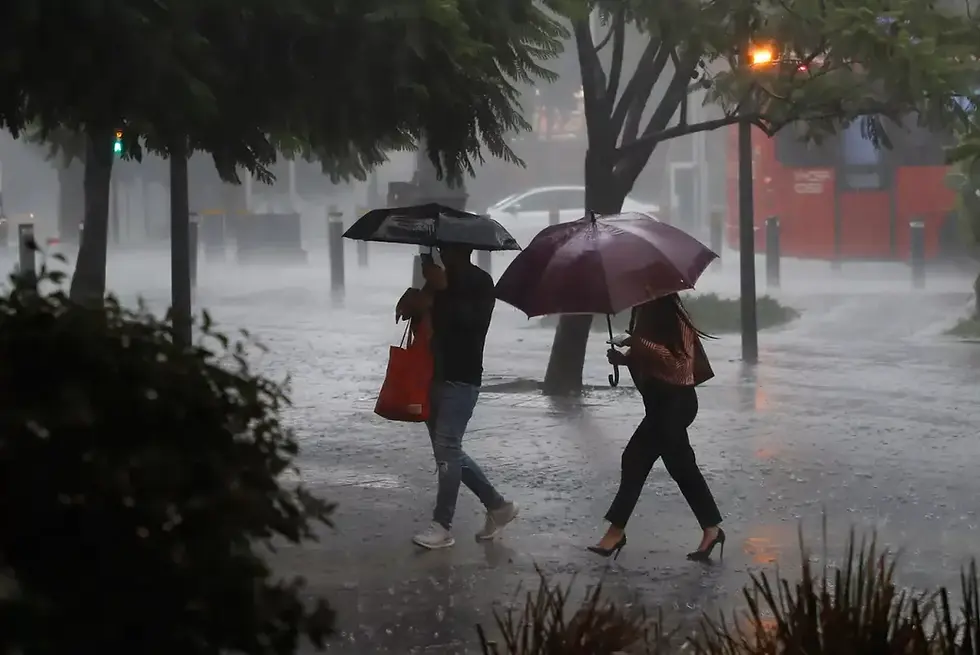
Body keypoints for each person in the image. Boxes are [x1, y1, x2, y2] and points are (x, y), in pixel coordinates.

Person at [396, 246, 518, 550]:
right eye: (441, 245)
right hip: (431, 375)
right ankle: (498, 506)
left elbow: (469, 324)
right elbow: (423, 323)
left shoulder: (480, 281)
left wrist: (442, 289)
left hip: (462, 377)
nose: (442, 250)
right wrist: (415, 301)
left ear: (464, 247)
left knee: (447, 448)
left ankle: (442, 525)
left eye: (448, 246)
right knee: (448, 452)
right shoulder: (437, 279)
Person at [589, 293, 724, 562]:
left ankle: (615, 532)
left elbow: (680, 366)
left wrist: (638, 344)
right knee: (682, 468)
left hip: (676, 404)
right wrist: (624, 359)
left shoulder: (676, 319)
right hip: (658, 405)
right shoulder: (645, 315)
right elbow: (652, 362)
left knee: (634, 460)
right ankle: (712, 529)